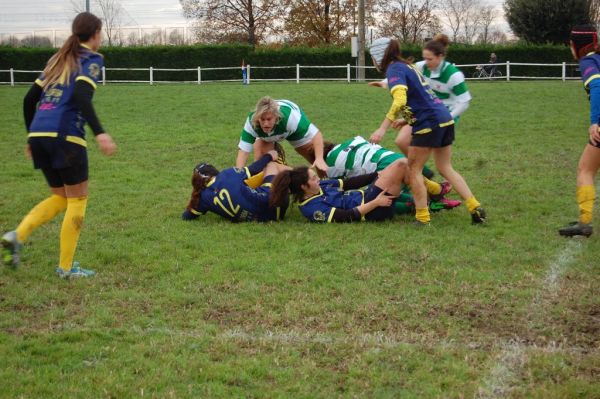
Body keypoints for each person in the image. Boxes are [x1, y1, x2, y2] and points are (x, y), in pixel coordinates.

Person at [1, 12, 117, 279]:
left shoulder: (58, 58)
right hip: (66, 136)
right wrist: (100, 133)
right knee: (77, 199)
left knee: (60, 197)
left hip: (41, 134)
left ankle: (15, 236)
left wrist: (32, 136)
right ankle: (65, 268)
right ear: (97, 33)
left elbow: (29, 99)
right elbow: (80, 95)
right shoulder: (92, 59)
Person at [368, 37, 485, 225]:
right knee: (445, 167)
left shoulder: (395, 69)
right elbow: (420, 97)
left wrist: (382, 129)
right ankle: (474, 207)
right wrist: (405, 121)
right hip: (445, 118)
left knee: (414, 170)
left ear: (379, 55)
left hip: (428, 123)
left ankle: (422, 217)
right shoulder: (408, 66)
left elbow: (400, 100)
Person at [370, 34, 472, 157]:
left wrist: (450, 117)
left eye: (430, 59)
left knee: (433, 163)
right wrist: (384, 82)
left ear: (440, 57)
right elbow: (404, 74)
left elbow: (464, 102)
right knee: (402, 141)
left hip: (441, 116)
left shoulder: (453, 75)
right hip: (426, 113)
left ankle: (419, 171)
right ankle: (421, 171)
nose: (426, 62)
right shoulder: (423, 66)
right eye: (425, 58)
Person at [323, 136, 460, 214]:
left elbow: (339, 187)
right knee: (413, 174)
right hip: (392, 156)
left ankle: (429, 202)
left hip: (382, 168)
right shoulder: (354, 139)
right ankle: (435, 189)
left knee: (390, 198)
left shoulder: (329, 164)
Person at [559, 25, 600, 237]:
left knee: (585, 170)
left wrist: (595, 122)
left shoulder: (588, 61)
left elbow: (597, 87)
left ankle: (585, 223)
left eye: (570, 45)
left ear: (577, 46)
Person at [269, 161, 405, 223]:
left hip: (368, 195)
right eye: (313, 178)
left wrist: (376, 174)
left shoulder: (318, 186)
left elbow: (348, 183)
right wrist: (375, 203)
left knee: (398, 166)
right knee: (401, 165)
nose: (318, 178)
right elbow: (348, 216)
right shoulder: (312, 209)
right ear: (304, 186)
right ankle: (421, 207)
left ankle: (419, 203)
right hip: (372, 211)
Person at [183, 150, 289, 222]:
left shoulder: (202, 198)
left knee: (248, 187)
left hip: (264, 217)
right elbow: (254, 168)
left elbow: (187, 216)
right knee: (272, 165)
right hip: (277, 202)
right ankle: (303, 175)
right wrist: (269, 155)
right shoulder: (227, 174)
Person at [235, 96, 329, 176]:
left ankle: (325, 184)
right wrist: (237, 176)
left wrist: (319, 158)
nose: (265, 123)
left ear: (276, 117)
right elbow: (243, 152)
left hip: (291, 131)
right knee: (262, 163)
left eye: (269, 119)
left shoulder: (291, 118)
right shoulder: (252, 123)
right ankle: (276, 186)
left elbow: (316, 134)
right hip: (265, 138)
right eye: (262, 119)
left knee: (314, 157)